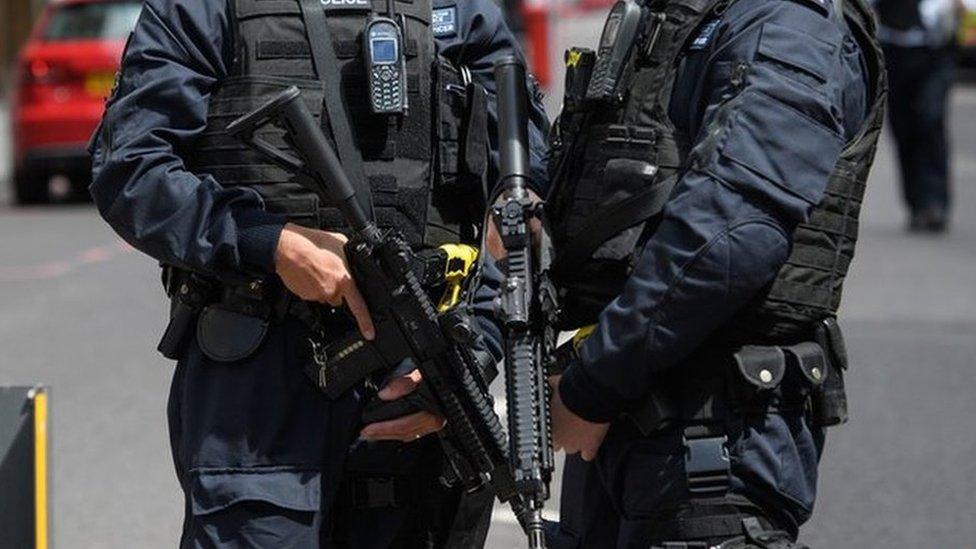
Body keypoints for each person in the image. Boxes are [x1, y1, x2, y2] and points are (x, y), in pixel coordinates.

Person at [88, 0, 548, 547]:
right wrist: (270, 243)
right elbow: (130, 170)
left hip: (422, 370)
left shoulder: (459, 10)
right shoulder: (205, 8)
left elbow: (523, 206)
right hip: (259, 378)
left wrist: (475, 353)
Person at [541, 0, 885, 547]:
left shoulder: (790, 26)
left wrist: (593, 387)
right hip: (641, 405)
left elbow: (730, 235)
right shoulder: (697, 15)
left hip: (715, 434)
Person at [875, 0, 959, 232]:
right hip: (892, 50)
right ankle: (915, 203)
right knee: (903, 128)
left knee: (930, 120)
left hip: (933, 52)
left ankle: (935, 203)